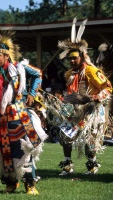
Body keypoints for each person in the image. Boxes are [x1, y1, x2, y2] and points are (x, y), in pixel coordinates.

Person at [0, 15, 47, 195]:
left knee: (25, 148)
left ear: (6, 54)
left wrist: (32, 93)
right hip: (1, 119)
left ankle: (30, 184)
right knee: (4, 151)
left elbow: (38, 74)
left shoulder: (19, 68)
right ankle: (10, 183)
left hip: (20, 115)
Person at [56, 18, 112, 175]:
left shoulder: (90, 71)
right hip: (74, 110)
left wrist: (96, 97)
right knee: (64, 135)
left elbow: (108, 87)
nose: (72, 61)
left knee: (90, 140)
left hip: (91, 111)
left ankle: (92, 165)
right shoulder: (71, 73)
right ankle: (67, 165)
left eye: (75, 58)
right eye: (70, 58)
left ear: (81, 57)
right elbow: (71, 92)